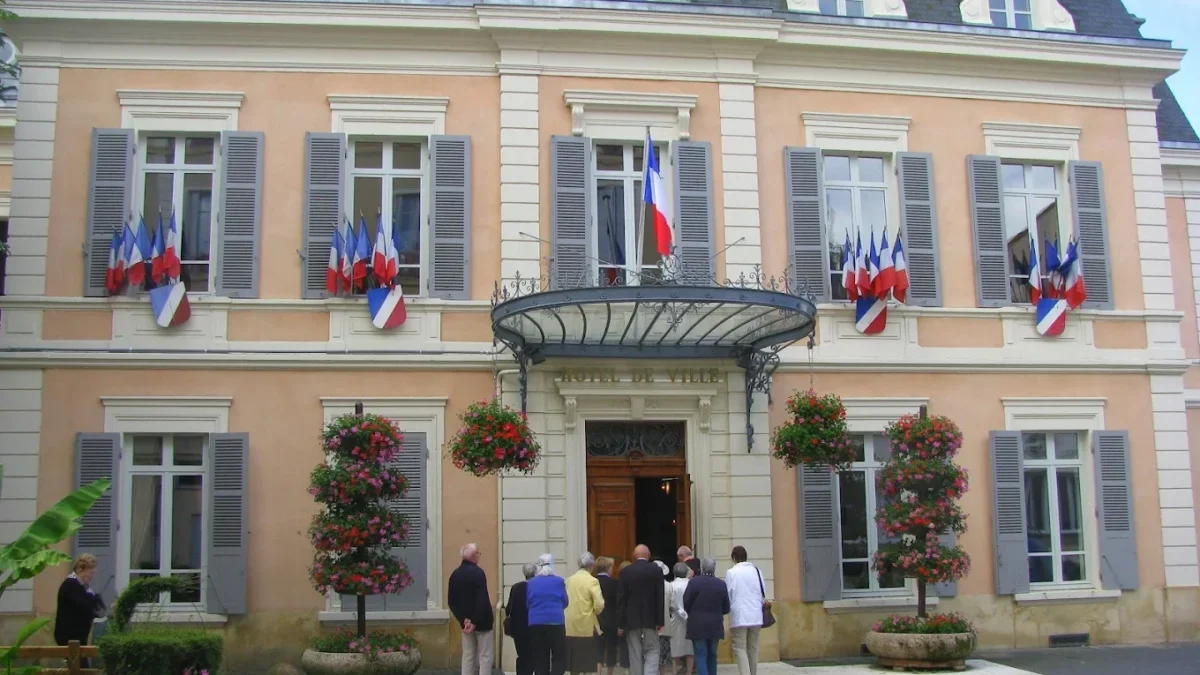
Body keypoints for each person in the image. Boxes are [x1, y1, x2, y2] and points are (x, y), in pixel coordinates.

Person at [618, 545, 665, 675]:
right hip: (651, 619)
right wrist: (660, 621)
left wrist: (621, 624)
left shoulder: (625, 572)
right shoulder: (656, 570)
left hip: (631, 620)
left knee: (635, 653)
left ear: (634, 555)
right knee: (652, 650)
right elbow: (660, 597)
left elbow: (621, 600)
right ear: (648, 555)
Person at [449, 543, 494, 675]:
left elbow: (452, 602)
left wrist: (464, 620)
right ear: (474, 556)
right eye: (478, 554)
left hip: (465, 623)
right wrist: (474, 621)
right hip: (482, 622)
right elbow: (482, 600)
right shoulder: (478, 573)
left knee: (468, 656)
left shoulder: (455, 575)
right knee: (485, 656)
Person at [54, 554, 106, 668]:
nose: (92, 576)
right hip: (70, 638)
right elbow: (84, 607)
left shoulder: (80, 587)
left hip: (77, 638)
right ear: (80, 570)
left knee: (79, 668)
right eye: (90, 573)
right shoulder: (71, 585)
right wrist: (93, 598)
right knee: (81, 669)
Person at [682, 558, 728, 675]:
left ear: (702, 568)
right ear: (714, 568)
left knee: (700, 654)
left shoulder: (693, 582)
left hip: (697, 625)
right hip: (715, 625)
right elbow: (726, 607)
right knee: (712, 654)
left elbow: (686, 603)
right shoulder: (721, 584)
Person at [724, 546, 765, 675]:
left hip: (740, 615)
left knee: (739, 647)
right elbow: (763, 591)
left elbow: (728, 593)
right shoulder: (757, 571)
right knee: (753, 647)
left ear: (734, 558)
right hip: (756, 614)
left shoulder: (731, 573)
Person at [528, 553, 569, 675]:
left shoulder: (531, 583)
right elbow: (565, 602)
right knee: (559, 656)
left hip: (535, 623)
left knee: (540, 657)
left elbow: (528, 603)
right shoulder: (559, 581)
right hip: (556, 622)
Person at [565, 552, 605, 675]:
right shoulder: (592, 581)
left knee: (573, 660)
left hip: (570, 624)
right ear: (591, 566)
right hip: (586, 624)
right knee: (586, 659)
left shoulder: (569, 580)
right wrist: (596, 611)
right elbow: (599, 604)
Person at [507, 562, 539, 675]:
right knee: (534, 655)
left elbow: (508, 609)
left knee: (522, 656)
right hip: (534, 626)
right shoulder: (537, 586)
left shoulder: (516, 587)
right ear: (535, 573)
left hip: (518, 628)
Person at [593, 557, 621, 675]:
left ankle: (598, 671)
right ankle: (610, 672)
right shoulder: (615, 583)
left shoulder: (592, 582)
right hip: (612, 620)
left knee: (598, 647)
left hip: (596, 619)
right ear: (608, 568)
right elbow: (619, 604)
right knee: (611, 647)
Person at [667, 563, 693, 675]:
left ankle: (674, 671)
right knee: (690, 647)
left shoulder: (671, 585)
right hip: (690, 619)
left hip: (674, 620)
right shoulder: (691, 584)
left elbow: (670, 604)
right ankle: (689, 672)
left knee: (675, 647)